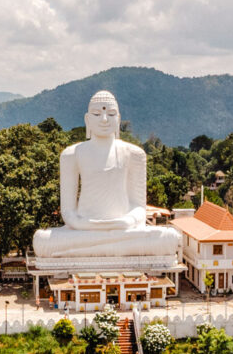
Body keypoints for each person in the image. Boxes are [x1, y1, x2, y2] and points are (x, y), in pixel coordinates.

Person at [32, 90, 180, 258]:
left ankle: (96, 247)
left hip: (123, 230)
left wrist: (127, 221)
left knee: (168, 238)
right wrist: (85, 225)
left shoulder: (134, 153)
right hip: (84, 230)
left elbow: (139, 206)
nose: (104, 119)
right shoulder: (71, 154)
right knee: (43, 241)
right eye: (97, 114)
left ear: (118, 119)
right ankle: (106, 246)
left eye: (111, 114)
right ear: (87, 119)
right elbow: (68, 212)